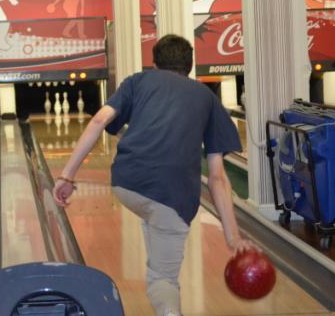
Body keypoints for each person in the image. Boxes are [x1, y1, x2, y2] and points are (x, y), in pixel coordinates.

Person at [53, 34, 254, 316]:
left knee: (153, 217)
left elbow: (99, 119)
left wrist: (67, 176)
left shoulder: (137, 81)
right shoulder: (207, 98)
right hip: (173, 197)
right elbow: (218, 177)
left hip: (127, 182)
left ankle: (155, 227)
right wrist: (233, 237)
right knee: (163, 279)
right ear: (190, 66)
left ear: (154, 63)